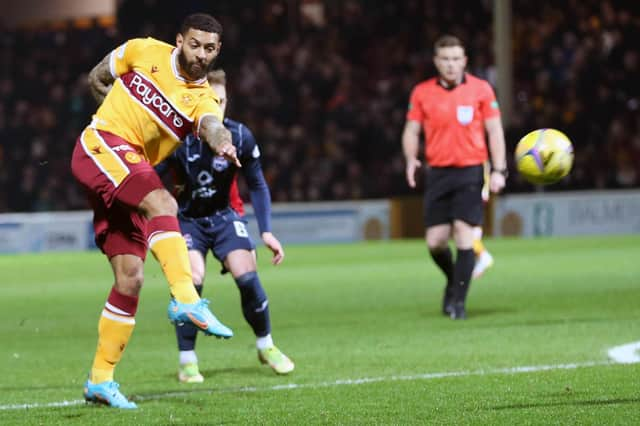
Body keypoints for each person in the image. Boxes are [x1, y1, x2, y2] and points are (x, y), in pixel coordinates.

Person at [71, 13, 241, 409]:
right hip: (100, 145)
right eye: (195, 44)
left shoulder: (202, 97)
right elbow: (98, 77)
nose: (200, 55)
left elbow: (213, 126)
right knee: (163, 202)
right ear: (180, 40)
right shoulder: (142, 49)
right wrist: (116, 116)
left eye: (210, 49)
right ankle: (185, 297)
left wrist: (223, 142)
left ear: (218, 52)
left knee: (130, 278)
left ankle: (100, 380)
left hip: (127, 172)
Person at [156, 69, 294, 382]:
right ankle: (187, 360)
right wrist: (162, 203)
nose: (216, 108)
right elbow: (150, 176)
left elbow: (257, 184)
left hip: (224, 216)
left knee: (247, 276)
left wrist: (267, 231)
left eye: (221, 101)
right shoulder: (179, 141)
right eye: (210, 101)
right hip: (188, 220)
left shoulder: (240, 136)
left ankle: (266, 345)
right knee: (192, 279)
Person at [402, 35, 507, 320]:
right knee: (435, 241)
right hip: (437, 172)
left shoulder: (481, 90)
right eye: (445, 59)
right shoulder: (422, 92)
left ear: (465, 61)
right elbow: (411, 131)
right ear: (436, 62)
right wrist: (411, 159)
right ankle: (455, 280)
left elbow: (494, 130)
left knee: (463, 232)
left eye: (456, 59)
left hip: (471, 169)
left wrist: (499, 169)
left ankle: (458, 303)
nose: (450, 65)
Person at [471, 163, 494, 279]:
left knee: (464, 230)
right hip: (477, 192)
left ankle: (483, 256)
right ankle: (478, 262)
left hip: (473, 191)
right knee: (471, 230)